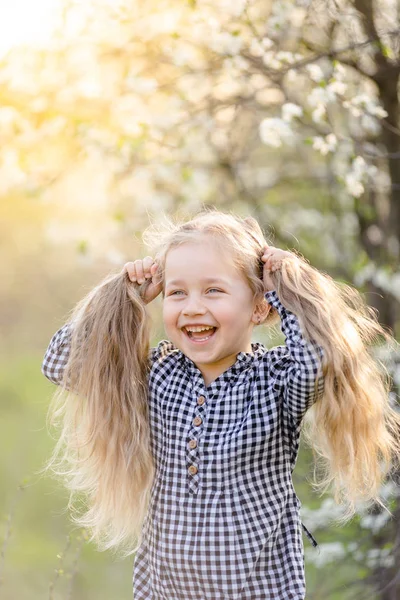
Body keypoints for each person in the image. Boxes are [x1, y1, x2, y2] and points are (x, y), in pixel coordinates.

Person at [41, 209, 400, 600]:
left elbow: (319, 360)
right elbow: (61, 364)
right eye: (178, 292)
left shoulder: (273, 381)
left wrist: (289, 286)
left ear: (260, 308)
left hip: (259, 592)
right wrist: (123, 296)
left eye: (213, 290)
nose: (193, 306)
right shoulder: (156, 376)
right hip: (165, 592)